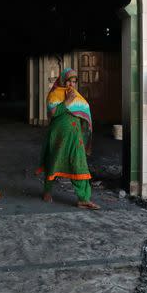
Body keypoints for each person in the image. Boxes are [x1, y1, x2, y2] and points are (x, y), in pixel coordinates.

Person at [36, 67, 100, 210]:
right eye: (69, 81)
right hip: (58, 136)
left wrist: (85, 126)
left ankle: (83, 199)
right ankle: (47, 191)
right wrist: (67, 101)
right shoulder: (54, 94)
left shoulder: (76, 95)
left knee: (79, 163)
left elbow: (84, 110)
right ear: (63, 80)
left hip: (75, 137)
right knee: (53, 161)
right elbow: (53, 114)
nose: (72, 85)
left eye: (74, 82)